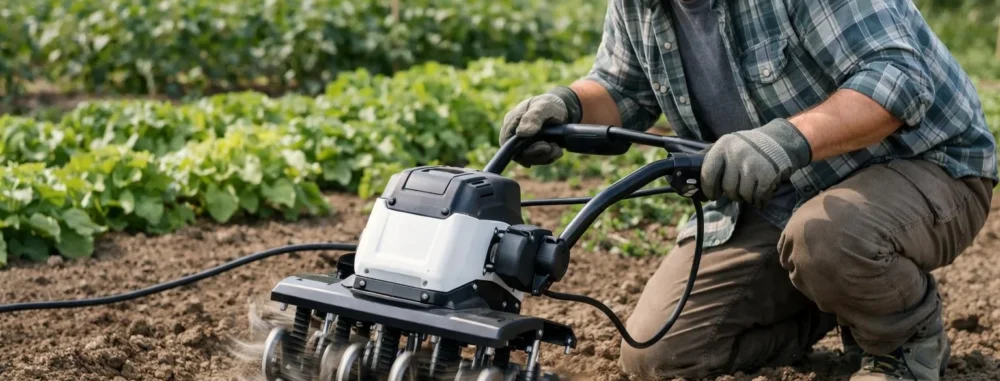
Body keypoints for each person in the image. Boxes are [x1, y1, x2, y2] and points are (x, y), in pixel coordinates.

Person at [498, 0, 998, 380]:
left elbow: (899, 77)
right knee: (660, 354)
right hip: (776, 198)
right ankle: (831, 298)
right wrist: (567, 106)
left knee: (830, 236)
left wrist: (784, 141)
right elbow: (623, 87)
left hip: (923, 163)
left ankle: (902, 346)